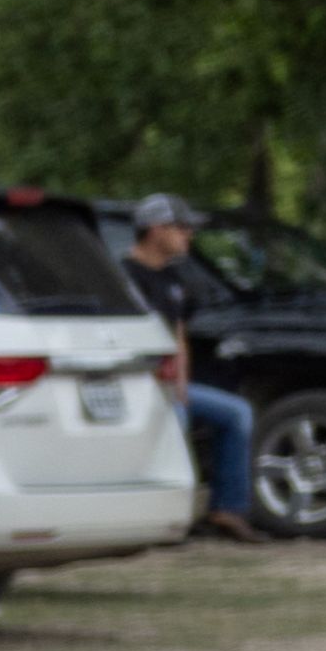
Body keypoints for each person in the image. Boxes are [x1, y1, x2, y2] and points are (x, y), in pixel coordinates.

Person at [121, 195, 261, 540]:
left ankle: (227, 509)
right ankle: (166, 516)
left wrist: (180, 381)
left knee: (237, 413)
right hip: (138, 385)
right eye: (182, 228)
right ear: (156, 230)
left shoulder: (172, 278)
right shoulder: (123, 277)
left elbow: (178, 334)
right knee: (177, 421)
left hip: (171, 385)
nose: (189, 235)